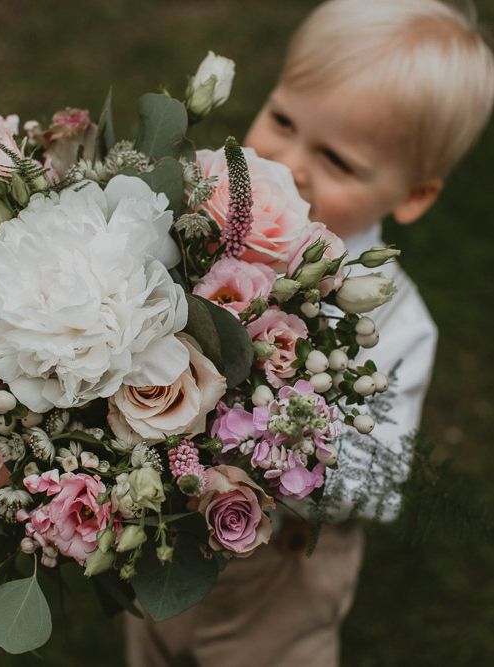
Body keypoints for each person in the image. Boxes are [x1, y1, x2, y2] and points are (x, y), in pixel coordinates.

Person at [125, 1, 494, 665]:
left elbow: (374, 482)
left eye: (337, 160)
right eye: (284, 119)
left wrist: (275, 429)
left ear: (412, 194)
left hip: (275, 581)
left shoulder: (394, 322)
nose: (287, 163)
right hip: (162, 530)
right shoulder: (201, 223)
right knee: (153, 638)